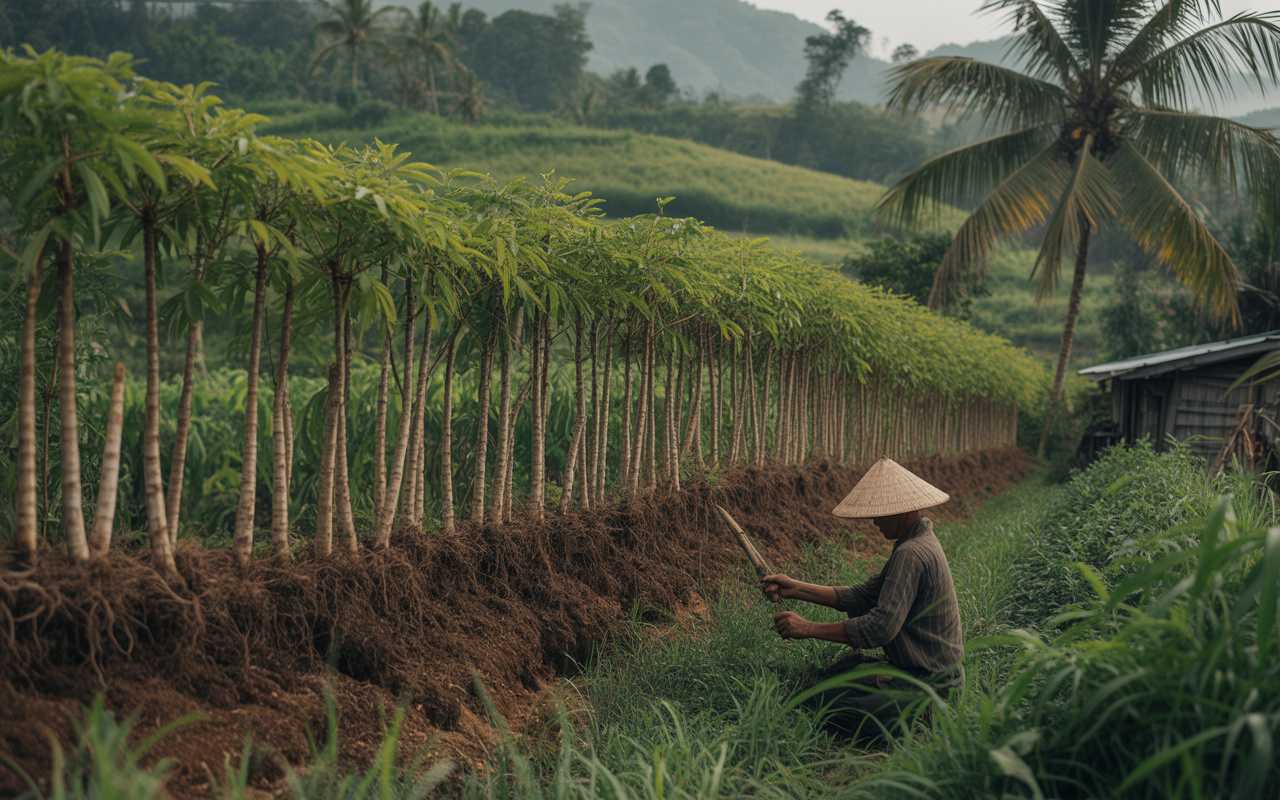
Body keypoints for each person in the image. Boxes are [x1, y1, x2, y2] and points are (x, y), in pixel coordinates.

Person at [759, 457, 964, 744]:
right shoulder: (916, 541)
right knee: (823, 686)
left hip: (931, 685)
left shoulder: (911, 553)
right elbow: (864, 596)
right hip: (924, 676)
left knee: (820, 701)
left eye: (879, 513)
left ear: (900, 511)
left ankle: (921, 720)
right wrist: (795, 588)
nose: (874, 521)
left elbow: (880, 628)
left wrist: (807, 629)